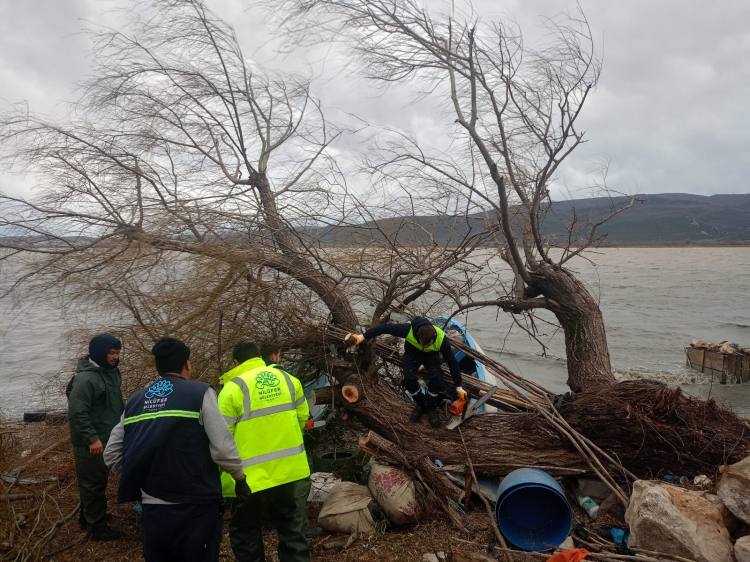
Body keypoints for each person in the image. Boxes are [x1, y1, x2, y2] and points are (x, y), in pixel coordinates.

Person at [103, 338, 250, 562]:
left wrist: (140, 482)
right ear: (187, 364)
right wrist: (239, 477)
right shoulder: (199, 393)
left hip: (154, 509)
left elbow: (112, 453)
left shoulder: (136, 400)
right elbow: (222, 447)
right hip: (196, 506)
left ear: (158, 367)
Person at [218, 341, 310, 562]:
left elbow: (222, 439)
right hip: (289, 472)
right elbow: (302, 418)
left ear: (236, 363)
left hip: (249, 479)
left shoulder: (231, 390)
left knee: (246, 530)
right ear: (259, 357)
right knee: (291, 526)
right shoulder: (289, 380)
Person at [345, 316, 465, 427]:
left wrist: (459, 386)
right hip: (412, 354)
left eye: (429, 344)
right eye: (424, 344)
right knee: (408, 379)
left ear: (434, 335)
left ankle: (431, 407)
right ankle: (421, 404)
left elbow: (452, 361)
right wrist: (363, 336)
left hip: (431, 356)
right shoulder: (408, 330)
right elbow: (385, 328)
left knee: (437, 379)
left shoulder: (441, 338)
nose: (427, 346)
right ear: (418, 335)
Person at [66, 333, 124, 541]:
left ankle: (89, 518)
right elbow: (76, 413)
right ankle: (97, 530)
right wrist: (92, 438)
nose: (115, 357)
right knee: (92, 484)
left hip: (108, 436)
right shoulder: (85, 379)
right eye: (111, 353)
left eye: (117, 353)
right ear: (99, 353)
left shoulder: (110, 372)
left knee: (97, 481)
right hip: (91, 442)